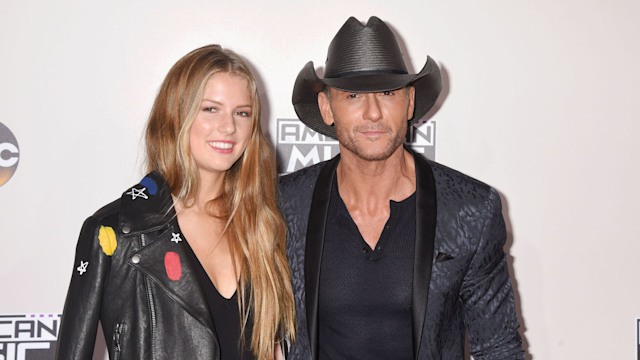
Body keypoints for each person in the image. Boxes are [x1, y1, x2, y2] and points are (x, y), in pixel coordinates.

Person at [279, 16, 525, 359]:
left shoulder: (470, 210)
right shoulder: (283, 204)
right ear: (326, 108)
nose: (374, 113)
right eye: (353, 95)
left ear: (409, 103)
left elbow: (499, 348)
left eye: (387, 93)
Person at [56, 45, 295, 360]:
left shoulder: (262, 224)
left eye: (242, 112)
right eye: (210, 109)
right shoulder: (116, 233)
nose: (229, 127)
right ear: (176, 113)